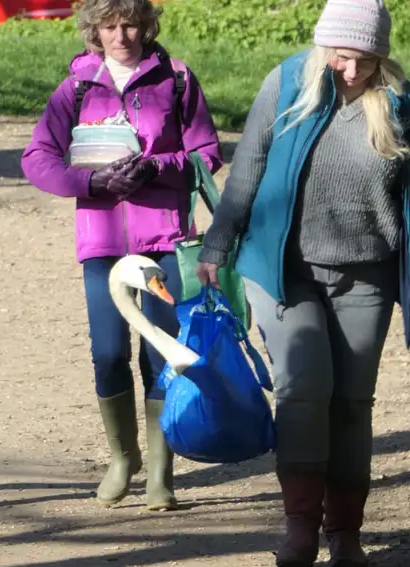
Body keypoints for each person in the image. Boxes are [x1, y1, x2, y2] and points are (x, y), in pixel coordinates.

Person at [196, 1, 408, 565]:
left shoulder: (397, 100)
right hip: (285, 268)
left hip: (366, 271)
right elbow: (248, 166)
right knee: (303, 390)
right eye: (342, 56)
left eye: (365, 60)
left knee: (352, 402)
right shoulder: (289, 82)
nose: (352, 71)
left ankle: (346, 533)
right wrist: (218, 243)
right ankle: (299, 529)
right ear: (323, 46)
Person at [20, 0, 222, 512]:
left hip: (164, 243)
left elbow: (206, 152)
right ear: (94, 29)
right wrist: (90, 182)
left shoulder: (176, 80)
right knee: (108, 354)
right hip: (103, 245)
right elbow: (37, 157)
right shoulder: (77, 88)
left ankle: (160, 473)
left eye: (130, 24)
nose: (121, 35)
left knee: (160, 353)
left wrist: (156, 168)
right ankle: (122, 457)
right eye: (109, 25)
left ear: (146, 25)